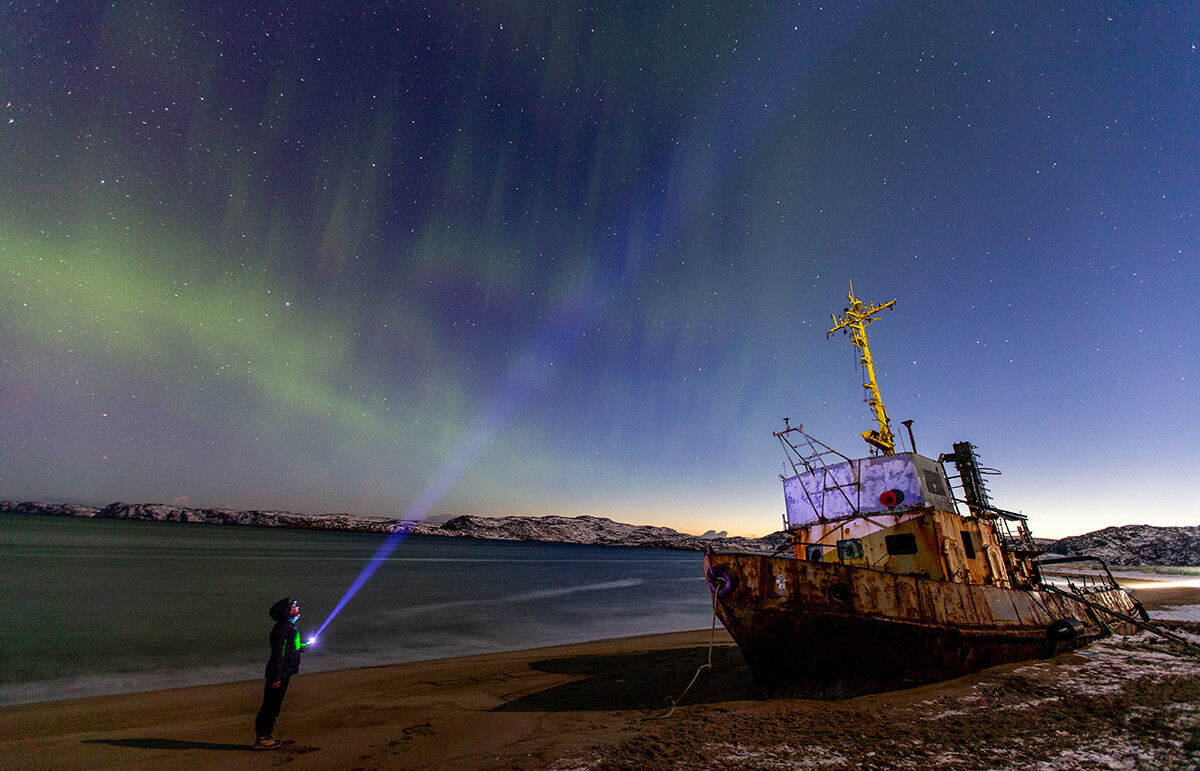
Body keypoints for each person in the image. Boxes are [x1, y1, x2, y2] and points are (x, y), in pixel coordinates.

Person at [253, 597, 309, 749]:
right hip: (279, 674)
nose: (297, 608)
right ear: (287, 611)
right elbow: (278, 654)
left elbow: (290, 648)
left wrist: (303, 646)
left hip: (283, 672)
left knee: (274, 705)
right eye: (294, 606)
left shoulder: (289, 627)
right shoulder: (282, 629)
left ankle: (266, 736)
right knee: (271, 705)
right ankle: (262, 738)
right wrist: (277, 677)